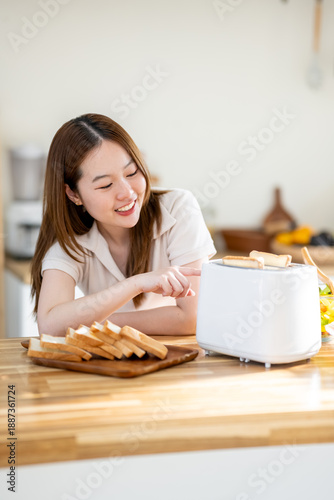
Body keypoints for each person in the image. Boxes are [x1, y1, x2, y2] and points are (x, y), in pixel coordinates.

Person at [31, 113, 216, 336]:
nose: (127, 193)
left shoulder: (177, 209)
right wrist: (135, 284)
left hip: (182, 360)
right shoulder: (72, 241)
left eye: (132, 172)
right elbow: (49, 326)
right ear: (73, 194)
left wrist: (89, 321)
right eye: (106, 185)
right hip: (116, 364)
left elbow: (193, 318)